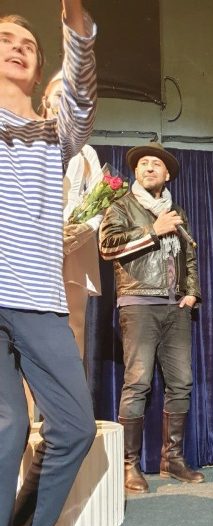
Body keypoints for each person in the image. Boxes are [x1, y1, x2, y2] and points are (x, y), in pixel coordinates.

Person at [0, 0, 97, 526]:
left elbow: (81, 92)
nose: (17, 46)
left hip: (35, 296)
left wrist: (75, 16)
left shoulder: (51, 131)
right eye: (5, 38)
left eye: (28, 43)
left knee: (75, 426)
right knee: (6, 429)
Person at [99, 142, 204, 493]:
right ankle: (129, 465)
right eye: (143, 163)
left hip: (176, 306)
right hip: (139, 303)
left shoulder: (177, 211)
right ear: (135, 172)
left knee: (182, 383)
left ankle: (172, 459)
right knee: (137, 383)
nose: (148, 168)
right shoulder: (122, 206)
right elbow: (107, 246)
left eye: (155, 164)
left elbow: (189, 255)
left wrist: (192, 292)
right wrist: (152, 231)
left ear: (167, 174)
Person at [41, 70, 103, 359]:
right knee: (31, 326)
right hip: (35, 242)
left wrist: (86, 228)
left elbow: (100, 199)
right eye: (59, 95)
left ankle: (71, 389)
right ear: (45, 99)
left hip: (76, 242)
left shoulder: (86, 152)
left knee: (74, 324)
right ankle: (28, 392)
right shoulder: (27, 145)